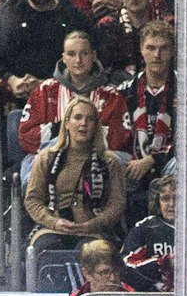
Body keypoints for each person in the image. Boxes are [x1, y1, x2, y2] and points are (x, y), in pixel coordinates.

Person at [24, 96, 127, 256]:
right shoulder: (46, 158)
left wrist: (94, 224)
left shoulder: (110, 162)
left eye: (90, 119)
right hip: (52, 228)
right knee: (46, 249)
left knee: (93, 253)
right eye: (77, 117)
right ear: (66, 123)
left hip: (94, 230)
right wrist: (54, 222)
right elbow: (32, 200)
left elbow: (117, 203)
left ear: (95, 126)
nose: (83, 124)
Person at [0, 0, 94, 115]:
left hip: (61, 90)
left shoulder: (73, 17)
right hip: (15, 89)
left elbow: (82, 62)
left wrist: (46, 85)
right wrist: (11, 80)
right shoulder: (5, 15)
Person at [15, 30, 126, 172]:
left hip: (97, 160)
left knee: (120, 160)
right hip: (51, 157)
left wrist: (78, 144)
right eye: (71, 54)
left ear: (94, 56)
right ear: (64, 58)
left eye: (84, 53)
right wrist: (59, 131)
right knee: (32, 164)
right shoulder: (45, 91)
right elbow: (26, 137)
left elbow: (121, 138)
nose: (78, 60)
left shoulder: (112, 95)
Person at [114, 21, 178, 216]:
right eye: (151, 48)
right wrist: (138, 162)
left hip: (168, 163)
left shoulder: (186, 90)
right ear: (141, 49)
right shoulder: (125, 91)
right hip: (133, 164)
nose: (157, 55)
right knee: (109, 160)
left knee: (183, 162)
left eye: (163, 48)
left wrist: (152, 160)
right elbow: (117, 137)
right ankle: (111, 229)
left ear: (173, 50)